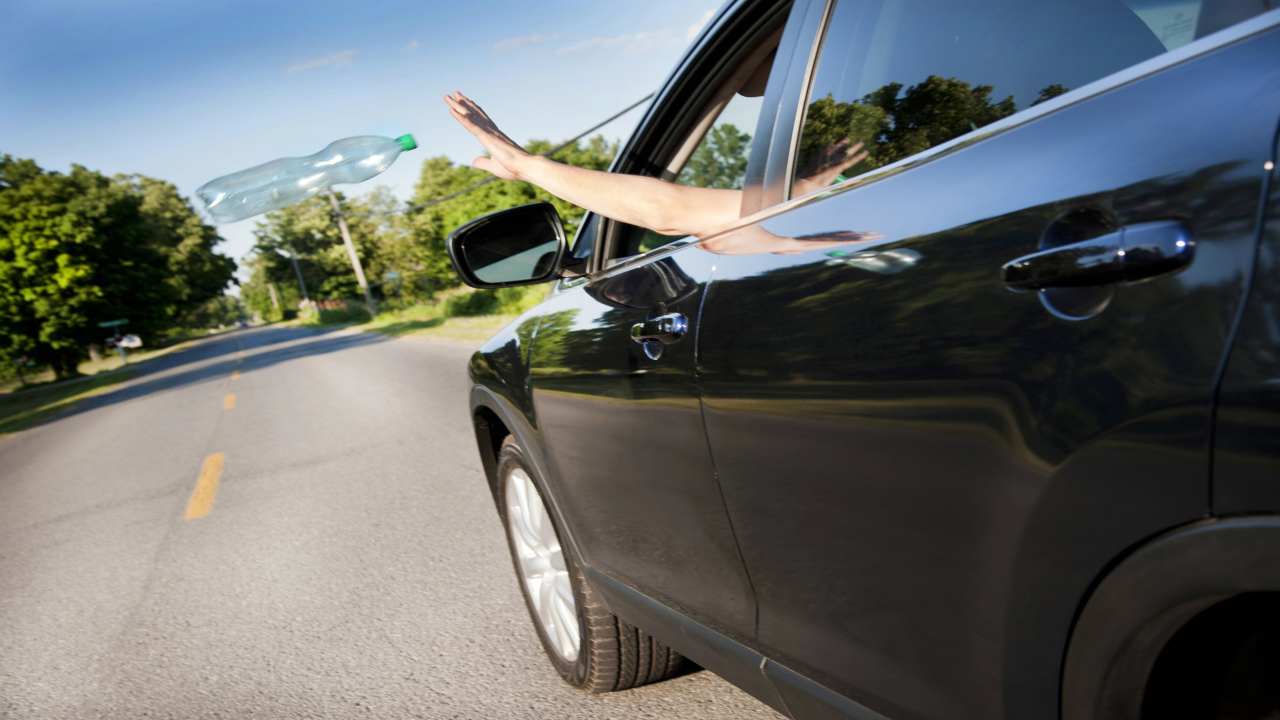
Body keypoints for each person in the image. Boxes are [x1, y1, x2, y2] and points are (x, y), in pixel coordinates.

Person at [443, 60, 869, 245]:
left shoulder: (818, 191)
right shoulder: (859, 135)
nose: (738, 81)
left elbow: (665, 210)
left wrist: (527, 166)